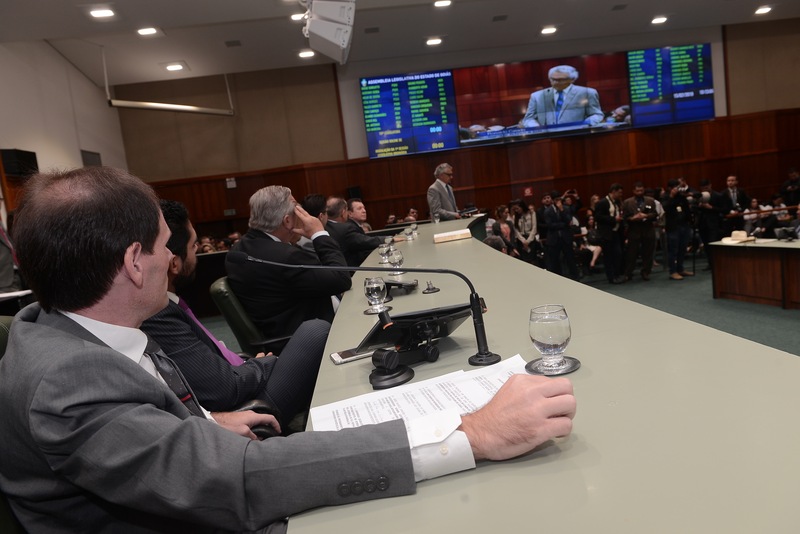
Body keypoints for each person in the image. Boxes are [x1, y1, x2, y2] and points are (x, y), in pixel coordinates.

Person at [0, 166, 577, 533]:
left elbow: (142, 432)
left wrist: (200, 422)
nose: (171, 259)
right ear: (133, 262)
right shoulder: (68, 383)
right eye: (163, 245)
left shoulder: (63, 327)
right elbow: (239, 479)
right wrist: (470, 434)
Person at [141, 200, 328, 427]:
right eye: (193, 245)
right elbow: (224, 389)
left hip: (239, 376)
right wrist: (264, 364)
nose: (197, 250)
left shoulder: (170, 303)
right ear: (174, 264)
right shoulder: (158, 314)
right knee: (316, 331)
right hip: (246, 409)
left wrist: (252, 365)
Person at [225, 185, 352, 339]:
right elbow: (341, 279)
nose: (302, 213)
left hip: (282, 330)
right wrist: (319, 234)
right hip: (310, 337)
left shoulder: (240, 249)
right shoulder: (286, 256)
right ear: (287, 221)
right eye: (297, 209)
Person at [520, 65, 603, 128]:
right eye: (553, 79)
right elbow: (528, 119)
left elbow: (596, 114)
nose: (555, 83)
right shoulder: (537, 96)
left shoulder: (587, 93)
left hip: (577, 137)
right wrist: (536, 128)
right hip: (547, 139)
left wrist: (584, 125)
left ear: (572, 79)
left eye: (560, 80)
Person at [621, 182, 657, 281]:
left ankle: (646, 272)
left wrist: (646, 216)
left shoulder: (650, 201)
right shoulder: (627, 202)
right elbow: (624, 217)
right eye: (637, 191)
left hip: (648, 229)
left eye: (641, 190)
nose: (640, 192)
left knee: (648, 253)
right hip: (634, 230)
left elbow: (655, 214)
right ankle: (628, 273)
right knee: (631, 253)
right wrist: (632, 218)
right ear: (633, 191)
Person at [541, 191, 578, 280]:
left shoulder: (566, 208)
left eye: (559, 199)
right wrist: (563, 224)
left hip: (566, 238)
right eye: (556, 200)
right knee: (555, 262)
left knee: (571, 260)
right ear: (553, 200)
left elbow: (569, 221)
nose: (558, 201)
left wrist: (561, 210)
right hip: (554, 239)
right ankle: (559, 280)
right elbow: (550, 225)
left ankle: (575, 278)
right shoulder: (547, 211)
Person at [663, 179, 694, 280]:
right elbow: (665, 208)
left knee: (682, 249)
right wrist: (671, 196)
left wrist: (690, 222)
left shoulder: (681, 197)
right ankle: (673, 271)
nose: (677, 189)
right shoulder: (665, 197)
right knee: (673, 250)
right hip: (673, 227)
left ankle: (680, 269)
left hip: (684, 225)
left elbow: (687, 210)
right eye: (674, 187)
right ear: (669, 188)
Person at [594, 184, 626, 284]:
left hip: (616, 232)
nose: (621, 195)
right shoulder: (602, 202)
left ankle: (617, 274)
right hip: (606, 233)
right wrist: (613, 219)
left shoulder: (617, 202)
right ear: (613, 191)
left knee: (618, 254)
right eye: (619, 192)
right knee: (609, 256)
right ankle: (611, 277)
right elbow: (598, 217)